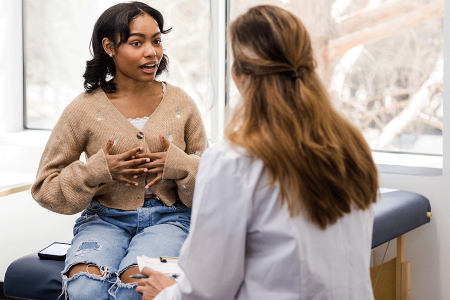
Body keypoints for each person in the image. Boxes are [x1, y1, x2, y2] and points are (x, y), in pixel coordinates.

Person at [136, 5, 379, 300]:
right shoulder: (352, 146)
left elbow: (205, 292)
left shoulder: (234, 161)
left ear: (238, 75)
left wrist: (165, 294)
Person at [31, 2, 208, 299]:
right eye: (137, 43)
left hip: (170, 218)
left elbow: (214, 181)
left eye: (157, 41)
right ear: (109, 47)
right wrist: (99, 171)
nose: (151, 52)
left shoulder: (182, 105)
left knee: (134, 288)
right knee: (85, 290)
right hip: (103, 219)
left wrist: (179, 165)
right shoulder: (83, 109)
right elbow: (45, 187)